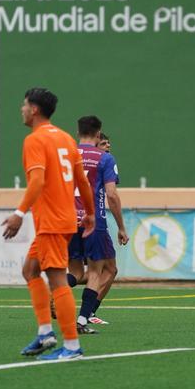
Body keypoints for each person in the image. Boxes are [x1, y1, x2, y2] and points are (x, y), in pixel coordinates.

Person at [1, 88, 95, 361]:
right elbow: (82, 181)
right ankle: (45, 333)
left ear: (34, 109)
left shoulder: (35, 139)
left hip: (52, 222)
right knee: (30, 270)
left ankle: (72, 346)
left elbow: (38, 181)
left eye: (24, 104)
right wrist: (89, 213)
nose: (21, 109)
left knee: (57, 281)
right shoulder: (65, 138)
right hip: (63, 219)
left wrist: (19, 213)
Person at [67, 116, 129, 332]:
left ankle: (54, 290)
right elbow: (112, 195)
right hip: (94, 221)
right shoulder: (104, 158)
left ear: (78, 132)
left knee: (75, 272)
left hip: (68, 221)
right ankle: (84, 319)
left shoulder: (66, 154)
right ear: (97, 133)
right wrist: (121, 227)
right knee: (96, 271)